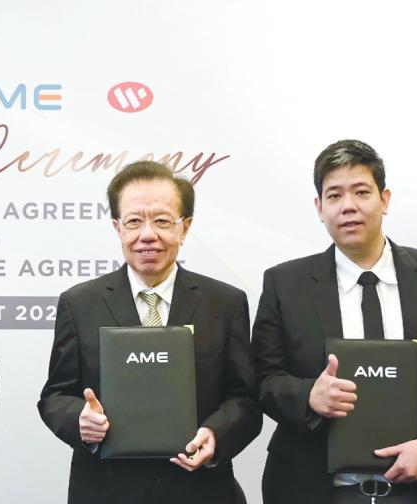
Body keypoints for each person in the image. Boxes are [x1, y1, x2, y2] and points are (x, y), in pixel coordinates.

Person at [252, 139, 417, 503]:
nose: (349, 206)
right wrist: (308, 395)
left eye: (361, 192)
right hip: (317, 489)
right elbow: (262, 379)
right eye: (335, 196)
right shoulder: (284, 284)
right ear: (319, 207)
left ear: (384, 199)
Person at [38, 161, 261, 503]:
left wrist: (216, 434)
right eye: (133, 221)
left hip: (201, 490)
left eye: (162, 221)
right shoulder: (79, 303)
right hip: (106, 490)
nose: (147, 235)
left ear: (184, 228)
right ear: (117, 228)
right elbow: (54, 397)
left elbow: (245, 400)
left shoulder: (225, 303)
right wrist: (80, 422)